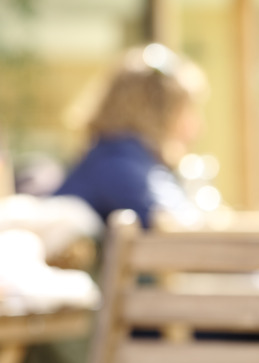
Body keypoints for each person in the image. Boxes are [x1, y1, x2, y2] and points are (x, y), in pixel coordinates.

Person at [55, 43, 208, 229]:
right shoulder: (118, 162)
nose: (197, 125)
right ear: (157, 111)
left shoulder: (126, 158)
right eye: (187, 109)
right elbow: (172, 223)